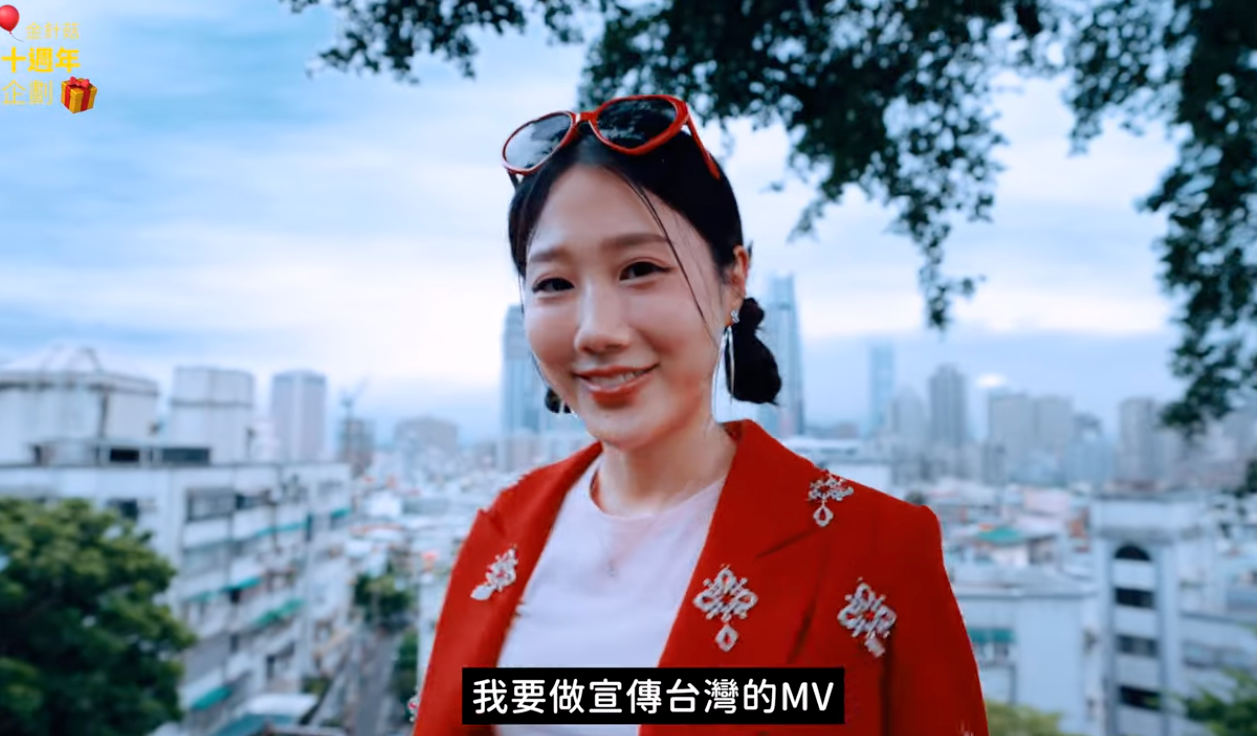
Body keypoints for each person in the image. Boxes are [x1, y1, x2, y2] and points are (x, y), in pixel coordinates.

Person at [409, 95, 988, 735]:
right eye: (553, 284)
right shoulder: (501, 529)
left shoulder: (878, 550)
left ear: (733, 279)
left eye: (640, 269)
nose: (595, 331)